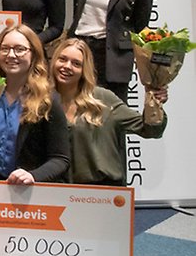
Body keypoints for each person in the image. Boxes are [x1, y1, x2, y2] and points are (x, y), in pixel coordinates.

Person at [0, 24, 70, 183]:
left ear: (33, 54)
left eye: (19, 49)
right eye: (4, 49)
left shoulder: (48, 100)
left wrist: (33, 175)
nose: (11, 55)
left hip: (29, 189)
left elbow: (60, 159)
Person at [50, 38, 167, 185]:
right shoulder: (42, 102)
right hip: (57, 194)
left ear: (84, 69)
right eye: (62, 59)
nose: (67, 66)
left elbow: (151, 130)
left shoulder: (103, 99)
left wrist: (154, 102)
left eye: (76, 63)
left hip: (103, 195)